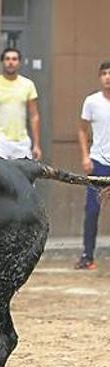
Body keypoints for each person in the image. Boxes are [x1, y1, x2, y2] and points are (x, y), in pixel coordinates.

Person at [74, 61, 110, 270]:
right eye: (104, 74)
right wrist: (85, 156)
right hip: (98, 162)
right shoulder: (92, 102)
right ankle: (87, 255)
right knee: (92, 209)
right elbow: (81, 129)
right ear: (99, 77)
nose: (108, 77)